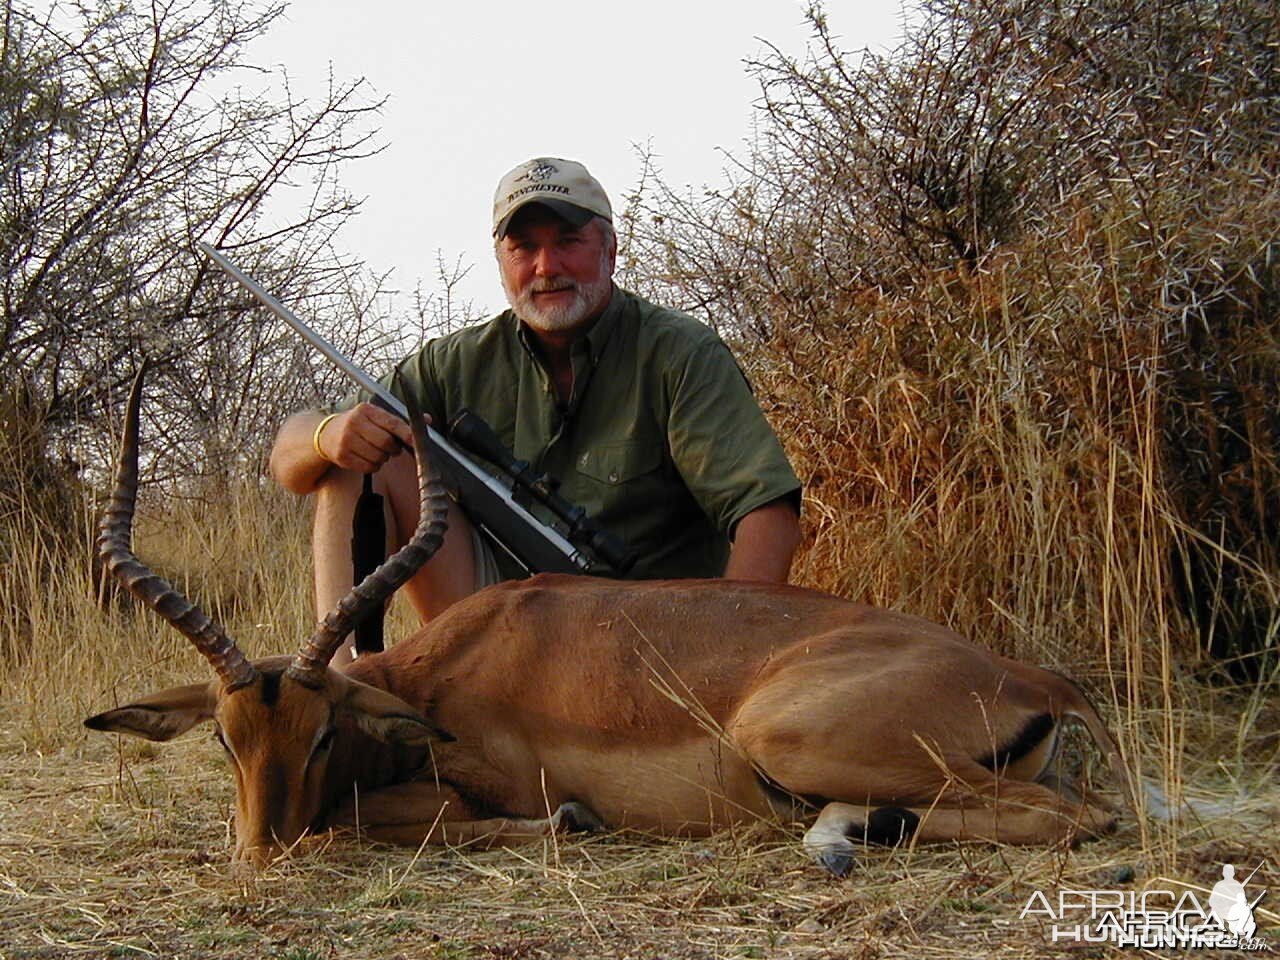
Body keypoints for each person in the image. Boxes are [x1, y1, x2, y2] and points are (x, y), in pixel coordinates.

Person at [270, 157, 802, 661]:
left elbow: (765, 511)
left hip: (648, 638)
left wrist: (725, 655)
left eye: (568, 242)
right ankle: (334, 690)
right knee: (362, 454)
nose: (547, 267)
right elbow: (289, 456)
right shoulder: (453, 363)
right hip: (502, 633)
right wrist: (327, 435)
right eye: (525, 248)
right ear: (502, 262)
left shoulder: (679, 353)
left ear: (609, 251)